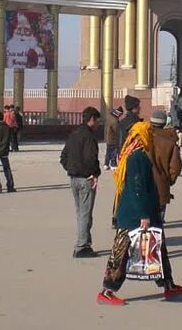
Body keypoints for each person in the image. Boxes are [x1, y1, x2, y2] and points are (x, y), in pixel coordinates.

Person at [97, 121, 182, 305]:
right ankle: (107, 291)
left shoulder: (134, 154)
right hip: (134, 215)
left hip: (146, 210)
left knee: (159, 248)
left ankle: (168, 285)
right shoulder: (137, 157)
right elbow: (137, 188)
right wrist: (143, 215)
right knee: (121, 253)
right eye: (148, 132)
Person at [61, 106, 102, 258]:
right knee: (85, 214)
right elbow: (91, 158)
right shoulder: (89, 136)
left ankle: (84, 242)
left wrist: (71, 169)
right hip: (85, 179)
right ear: (92, 119)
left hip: (74, 178)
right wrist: (93, 174)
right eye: (97, 120)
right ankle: (81, 246)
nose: (98, 123)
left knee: (80, 213)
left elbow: (63, 157)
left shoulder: (74, 134)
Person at [149, 109, 182, 222]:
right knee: (158, 222)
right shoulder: (169, 142)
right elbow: (176, 167)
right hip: (161, 184)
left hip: (143, 184)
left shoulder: (143, 139)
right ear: (164, 124)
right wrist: (169, 180)